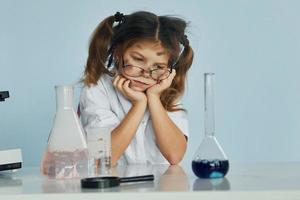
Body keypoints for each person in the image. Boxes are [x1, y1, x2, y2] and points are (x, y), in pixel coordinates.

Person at [79, 11, 194, 166]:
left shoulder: (164, 89)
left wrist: (153, 99)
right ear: (118, 53)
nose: (146, 73)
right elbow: (103, 159)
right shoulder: (97, 89)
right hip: (114, 187)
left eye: (158, 66)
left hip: (161, 187)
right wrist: (138, 105)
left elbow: (175, 155)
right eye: (138, 59)